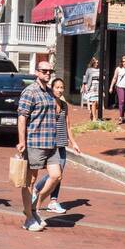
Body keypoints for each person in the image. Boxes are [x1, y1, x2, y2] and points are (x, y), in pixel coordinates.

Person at [16, 61, 61, 231]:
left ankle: (33, 207)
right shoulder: (30, 91)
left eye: (50, 71)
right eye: (44, 71)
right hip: (34, 142)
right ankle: (28, 218)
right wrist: (22, 141)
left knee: (56, 176)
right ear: (37, 72)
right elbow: (22, 117)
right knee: (30, 181)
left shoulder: (50, 92)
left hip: (51, 143)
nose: (48, 73)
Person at [34, 76, 81, 215]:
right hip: (49, 143)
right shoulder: (48, 103)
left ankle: (53, 201)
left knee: (59, 175)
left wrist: (74, 143)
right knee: (55, 174)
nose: (60, 90)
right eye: (57, 87)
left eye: (62, 88)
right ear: (51, 88)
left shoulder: (64, 105)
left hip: (61, 144)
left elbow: (68, 126)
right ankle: (37, 190)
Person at [81, 57, 101, 122]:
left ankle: (92, 113)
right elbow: (85, 78)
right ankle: (94, 118)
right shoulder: (89, 70)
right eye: (95, 62)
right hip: (91, 87)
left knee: (97, 103)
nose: (97, 64)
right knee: (94, 102)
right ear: (92, 63)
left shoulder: (100, 69)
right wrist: (84, 86)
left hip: (98, 87)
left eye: (97, 62)